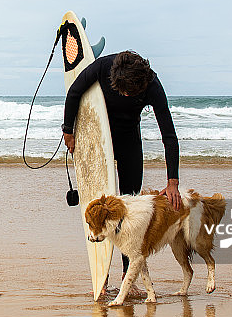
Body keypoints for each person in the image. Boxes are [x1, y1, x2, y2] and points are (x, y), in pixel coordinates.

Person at [62, 50, 180, 285]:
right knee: (98, 204)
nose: (125, 94)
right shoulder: (104, 67)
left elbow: (169, 134)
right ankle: (101, 275)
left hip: (128, 140)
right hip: (98, 138)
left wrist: (172, 182)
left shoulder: (152, 85)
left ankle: (128, 275)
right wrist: (68, 130)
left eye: (129, 92)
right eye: (121, 90)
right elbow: (74, 92)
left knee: (130, 205)